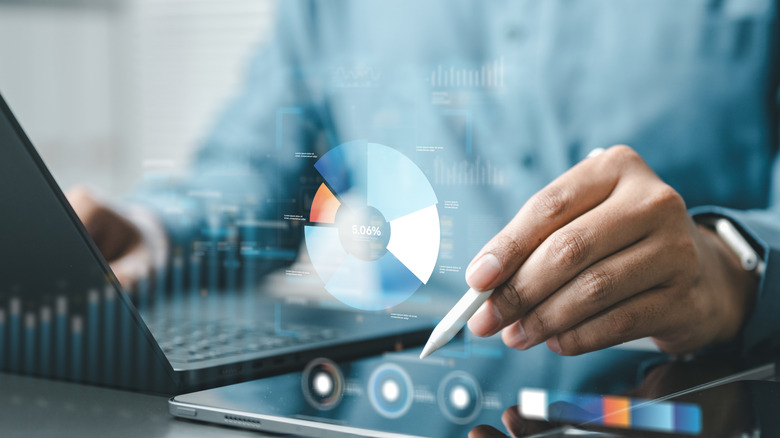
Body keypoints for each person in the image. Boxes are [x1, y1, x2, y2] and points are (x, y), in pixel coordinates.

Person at [68, 0, 780, 360]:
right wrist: (149, 231)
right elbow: (253, 172)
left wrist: (732, 263)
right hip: (406, 394)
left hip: (681, 391)